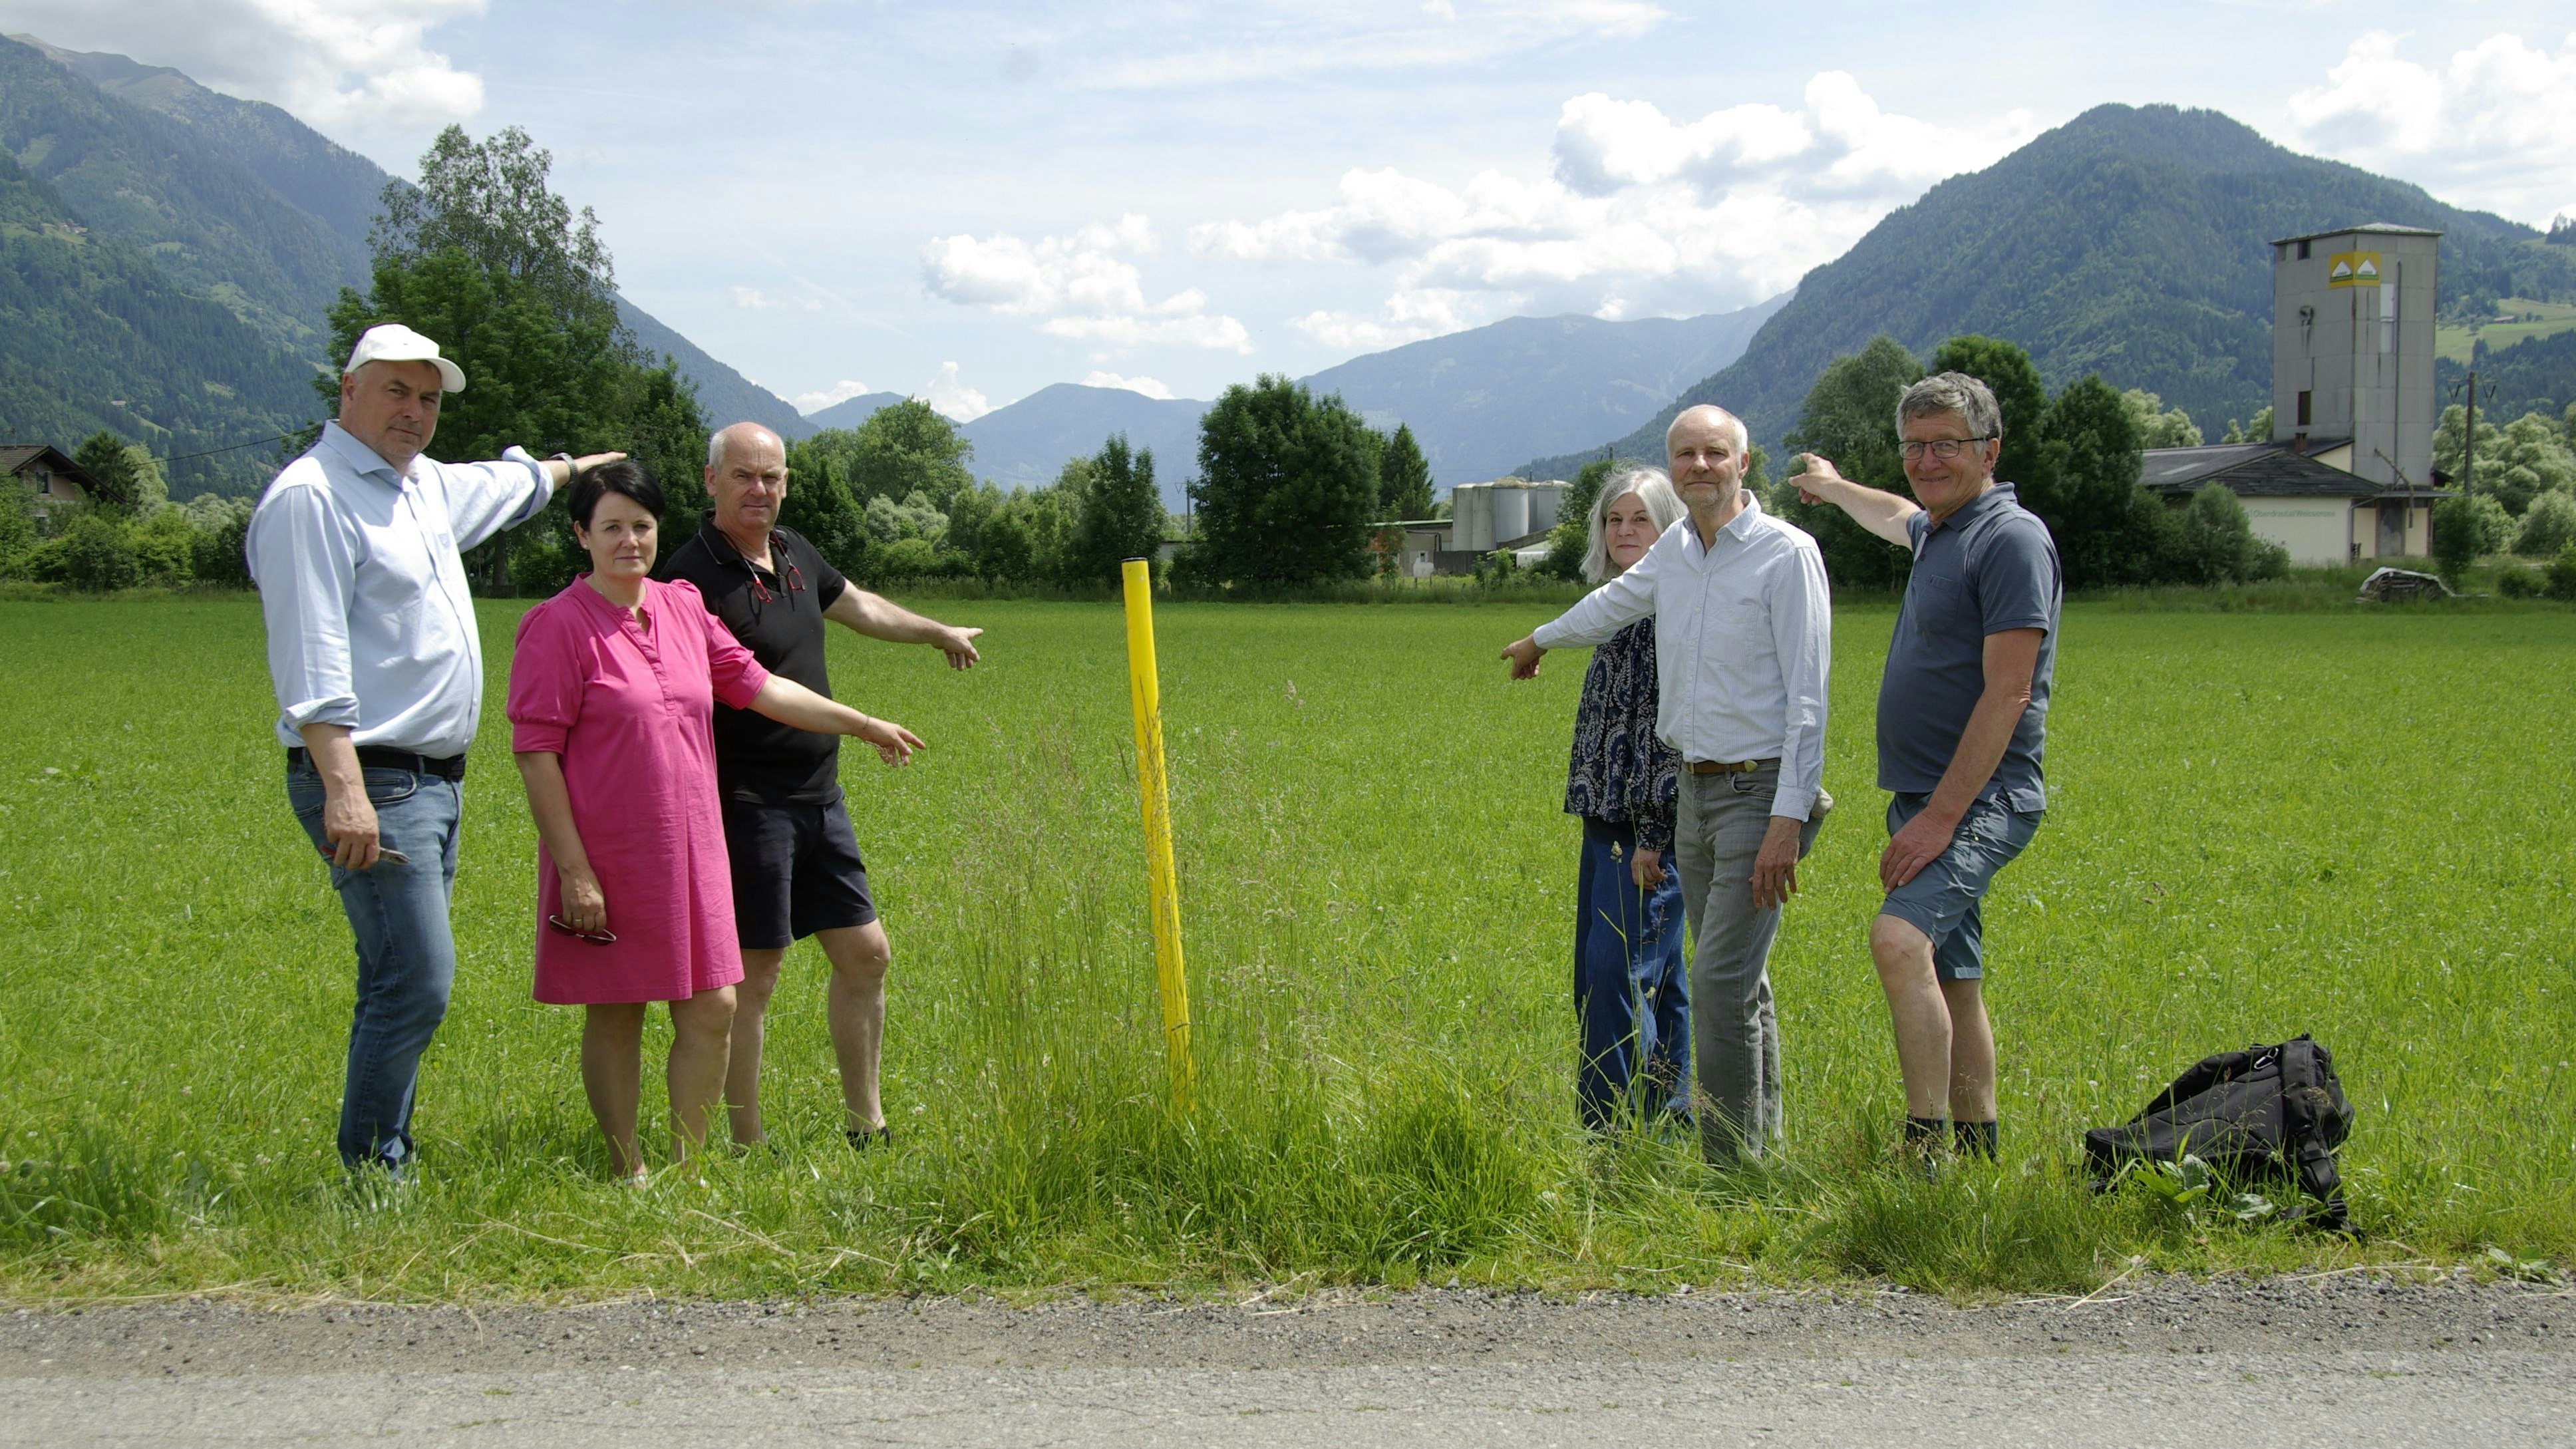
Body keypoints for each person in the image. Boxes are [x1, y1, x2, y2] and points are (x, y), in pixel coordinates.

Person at [247, 322, 622, 1178]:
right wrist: (346, 791)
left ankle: (383, 1155)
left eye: (427, 398)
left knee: (398, 977)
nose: (414, 412)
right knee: (416, 980)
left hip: (432, 784)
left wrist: (574, 469)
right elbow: (311, 658)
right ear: (348, 390)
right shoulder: (313, 497)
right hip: (373, 779)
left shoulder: (418, 487)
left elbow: (506, 484)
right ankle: (375, 1172)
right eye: (396, 391)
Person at [506, 461, 925, 1181]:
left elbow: (761, 688)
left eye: (641, 526)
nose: (630, 541)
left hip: (693, 848)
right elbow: (536, 754)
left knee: (713, 1008)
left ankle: (689, 1168)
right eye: (611, 527)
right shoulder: (556, 626)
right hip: (607, 855)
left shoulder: (682, 608)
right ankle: (627, 1169)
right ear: (582, 536)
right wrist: (574, 871)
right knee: (618, 1011)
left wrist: (861, 724)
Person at [1503, 406, 1832, 1165]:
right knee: (1740, 981)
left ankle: (1728, 1164)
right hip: (1693, 789)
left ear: (1742, 463)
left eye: (1715, 452)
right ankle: (1759, 1150)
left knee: (1718, 979)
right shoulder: (1678, 551)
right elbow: (1611, 604)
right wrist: (1538, 640)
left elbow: (1808, 700)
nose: (1699, 466)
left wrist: (1787, 819)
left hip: (1757, 789)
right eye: (1685, 453)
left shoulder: (1786, 554)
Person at [657, 421, 983, 1152]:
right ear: (711, 481)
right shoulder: (690, 577)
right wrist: (862, 724)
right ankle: (746, 1141)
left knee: (867, 954)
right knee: (756, 974)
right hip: (744, 802)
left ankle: (867, 1126)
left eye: (771, 477)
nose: (759, 489)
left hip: (819, 797)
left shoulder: (792, 551)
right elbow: (746, 688)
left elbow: (858, 605)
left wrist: (935, 631)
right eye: (743, 475)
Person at [1790, 371, 2060, 1162]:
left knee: (1898, 940)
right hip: (1925, 794)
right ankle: (1976, 1153)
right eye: (1913, 446)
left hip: (1979, 799)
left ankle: (1922, 1152)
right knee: (1951, 977)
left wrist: (1941, 819)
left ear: (1989, 451)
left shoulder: (2008, 539)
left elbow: (2008, 691)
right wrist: (1832, 487)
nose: (1926, 461)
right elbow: (1893, 513)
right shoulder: (1943, 528)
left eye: (1946, 445)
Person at [1560, 467, 1691, 1134]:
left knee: (1615, 972)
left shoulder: (1672, 610)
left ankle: (1608, 1134)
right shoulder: (1615, 605)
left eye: (1640, 518)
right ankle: (1672, 1121)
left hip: (1648, 829)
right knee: (1655, 976)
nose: (1623, 531)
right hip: (1604, 820)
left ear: (1669, 527)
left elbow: (1671, 733)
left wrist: (1653, 834)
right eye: (1614, 519)